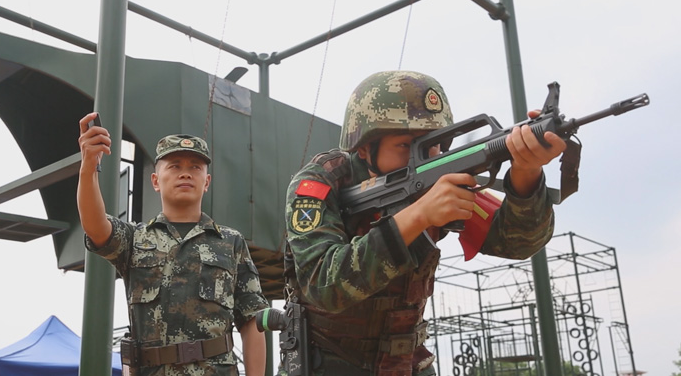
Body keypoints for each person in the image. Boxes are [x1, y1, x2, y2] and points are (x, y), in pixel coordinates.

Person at [283, 71, 567, 376]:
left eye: (435, 143)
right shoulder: (321, 183)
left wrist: (526, 173)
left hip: (409, 363)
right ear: (363, 148)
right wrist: (418, 216)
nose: (427, 157)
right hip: (327, 364)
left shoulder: (439, 177)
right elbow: (323, 285)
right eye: (405, 145)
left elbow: (516, 243)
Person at [77, 113, 270, 376]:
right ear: (156, 181)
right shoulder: (135, 239)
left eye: (195, 167)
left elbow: (252, 319)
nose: (185, 174)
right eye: (175, 166)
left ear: (206, 182)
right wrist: (88, 167)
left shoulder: (230, 242)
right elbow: (95, 226)